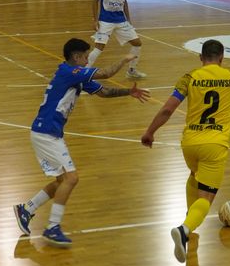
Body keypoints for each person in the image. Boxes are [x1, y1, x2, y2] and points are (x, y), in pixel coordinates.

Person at [13, 38, 150, 247]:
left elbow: (103, 91)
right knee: (71, 178)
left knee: (62, 181)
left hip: (46, 132)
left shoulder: (76, 77)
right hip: (46, 132)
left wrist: (128, 92)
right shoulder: (71, 72)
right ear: (76, 57)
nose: (88, 61)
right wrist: (124, 60)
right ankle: (52, 227)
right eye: (86, 57)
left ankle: (27, 209)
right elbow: (105, 73)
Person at [141, 39, 230, 263]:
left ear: (201, 58)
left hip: (189, 143)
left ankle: (190, 223)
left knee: (194, 176)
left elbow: (168, 109)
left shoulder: (189, 77)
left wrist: (150, 132)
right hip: (215, 145)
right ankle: (184, 229)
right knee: (206, 197)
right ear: (222, 57)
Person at [87, 0, 146, 79]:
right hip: (105, 20)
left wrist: (128, 20)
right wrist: (95, 19)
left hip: (121, 21)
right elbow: (95, 0)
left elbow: (124, 1)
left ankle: (131, 71)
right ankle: (83, 74)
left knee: (137, 44)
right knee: (99, 47)